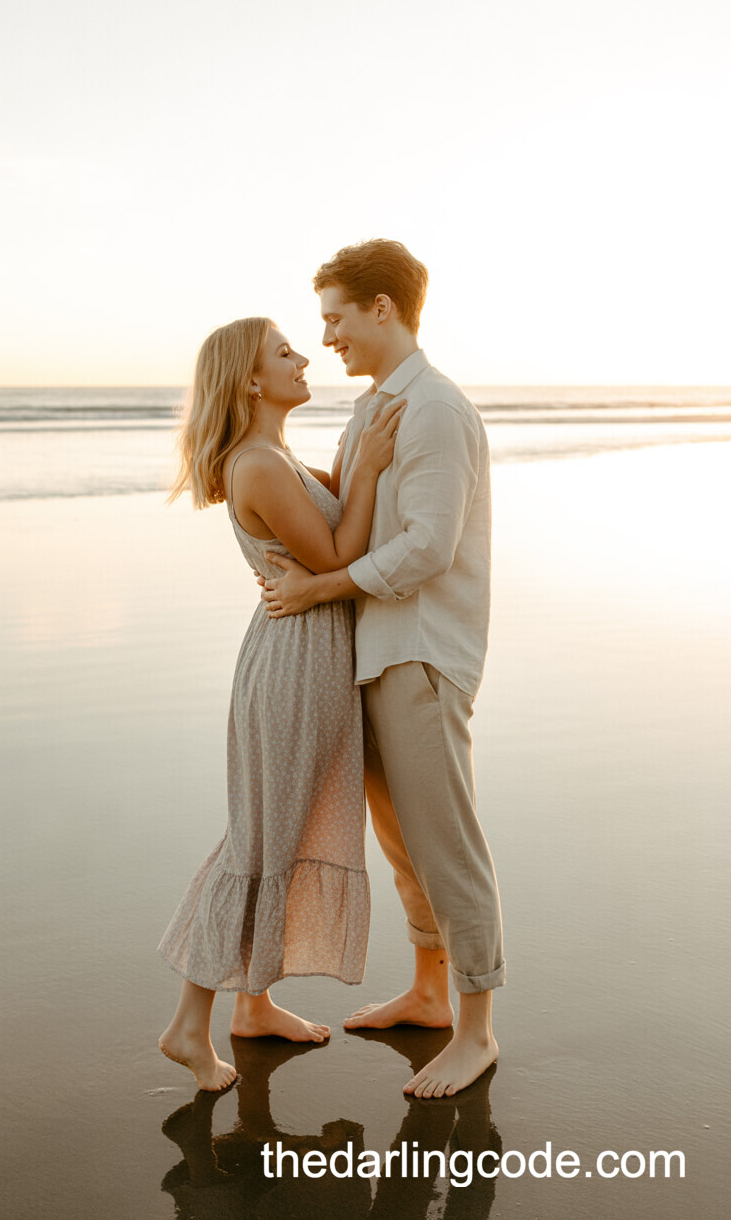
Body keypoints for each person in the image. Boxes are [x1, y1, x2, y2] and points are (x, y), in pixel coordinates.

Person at [260, 240, 506, 1099]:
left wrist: (319, 586)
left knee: (446, 846)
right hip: (373, 653)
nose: (326, 336)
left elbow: (429, 546)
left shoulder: (434, 409)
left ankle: (477, 1029)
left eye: (335, 317)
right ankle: (430, 995)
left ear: (382, 308)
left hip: (422, 654)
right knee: (404, 848)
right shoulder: (373, 410)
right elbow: (348, 514)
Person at [157, 316, 405, 1091]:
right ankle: (187, 1026)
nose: (304, 358)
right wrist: (368, 468)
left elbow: (336, 530)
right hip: (294, 667)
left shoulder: (277, 457)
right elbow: (338, 554)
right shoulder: (258, 464)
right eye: (284, 352)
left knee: (270, 834)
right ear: (251, 382)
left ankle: (252, 1007)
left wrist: (359, 461)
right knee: (258, 843)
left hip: (307, 657)